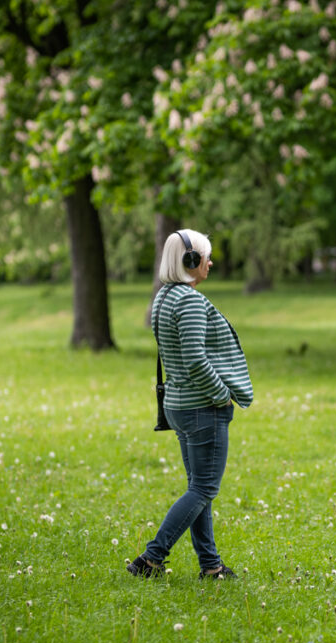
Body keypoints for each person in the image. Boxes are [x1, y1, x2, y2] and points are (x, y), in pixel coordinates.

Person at [128, 229, 253, 580]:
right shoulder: (191, 301)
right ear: (190, 261)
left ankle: (210, 566)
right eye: (205, 256)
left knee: (199, 486)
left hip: (178, 406)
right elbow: (196, 359)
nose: (210, 262)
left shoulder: (165, 299)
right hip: (201, 408)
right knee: (203, 488)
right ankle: (151, 559)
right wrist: (219, 394)